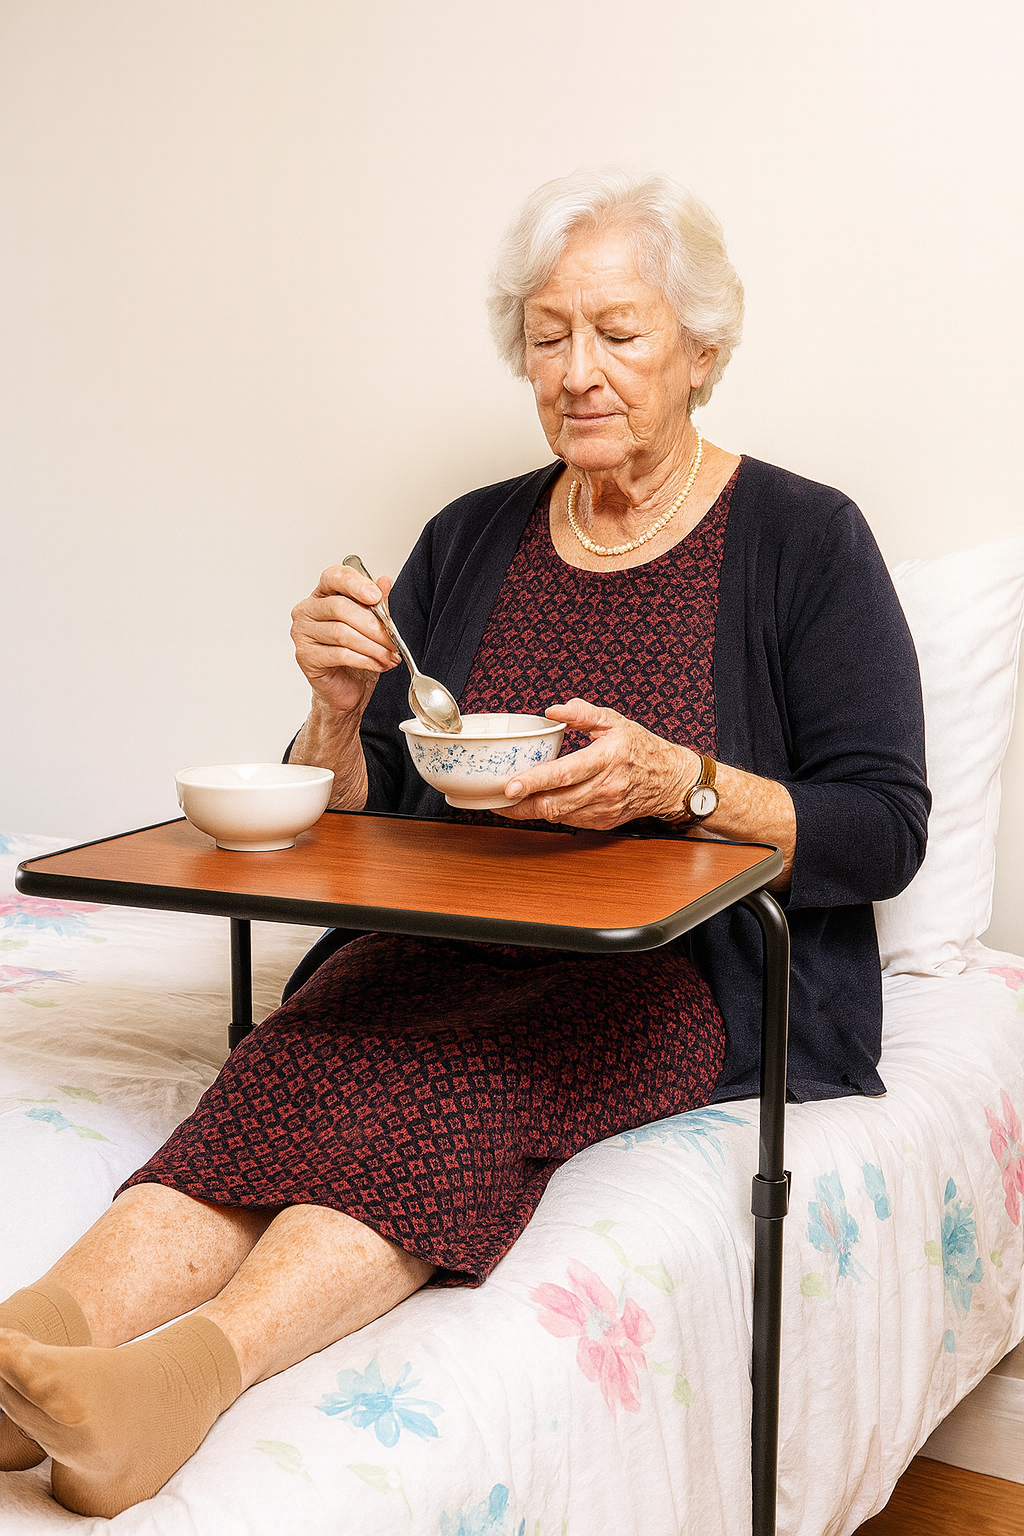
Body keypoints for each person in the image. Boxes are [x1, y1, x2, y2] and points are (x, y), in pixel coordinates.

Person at [0, 168, 929, 1517]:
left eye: (621, 331)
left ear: (705, 349)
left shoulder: (804, 538)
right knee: (294, 1063)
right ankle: (34, 1336)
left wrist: (686, 783)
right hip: (438, 931)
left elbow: (882, 825)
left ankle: (180, 1386)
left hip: (667, 969)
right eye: (549, 336)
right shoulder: (475, 534)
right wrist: (329, 710)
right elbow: (362, 799)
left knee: (459, 1088)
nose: (579, 370)